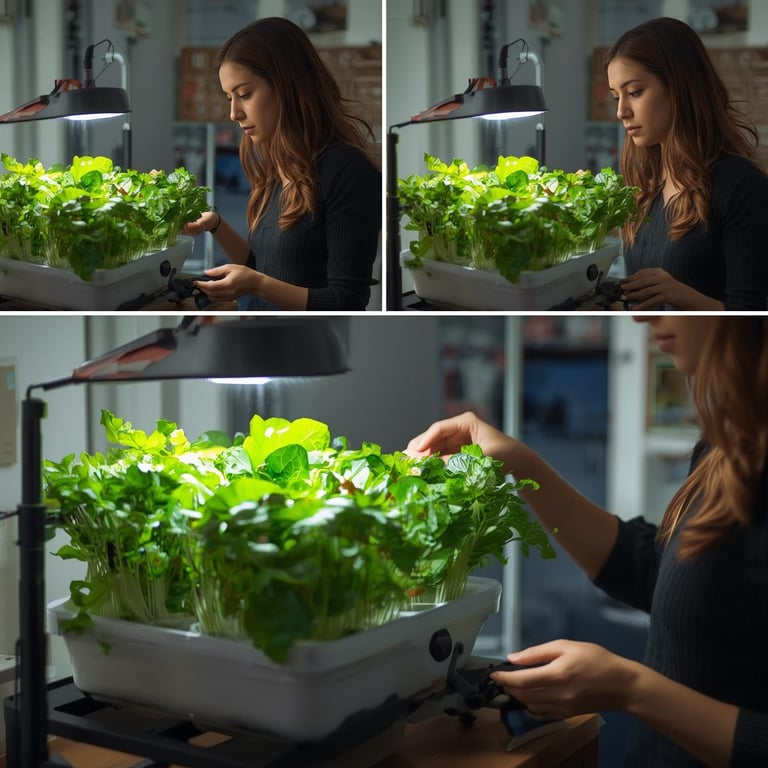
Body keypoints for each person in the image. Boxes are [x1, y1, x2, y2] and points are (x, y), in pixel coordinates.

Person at [406, 316, 768, 767]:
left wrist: (630, 689)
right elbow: (665, 575)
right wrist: (522, 465)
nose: (642, 315)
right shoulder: (728, 443)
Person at [183, 17, 381, 310]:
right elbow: (264, 267)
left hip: (305, 349)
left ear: (288, 86)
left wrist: (257, 284)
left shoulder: (347, 172)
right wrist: (216, 225)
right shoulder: (279, 171)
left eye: (245, 95)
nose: (234, 113)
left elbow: (347, 300)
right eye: (229, 98)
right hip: (263, 343)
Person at [605, 17, 768, 310]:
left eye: (634, 92)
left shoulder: (741, 185)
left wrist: (681, 296)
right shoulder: (646, 188)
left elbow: (753, 318)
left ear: (680, 86)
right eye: (616, 96)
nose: (621, 112)